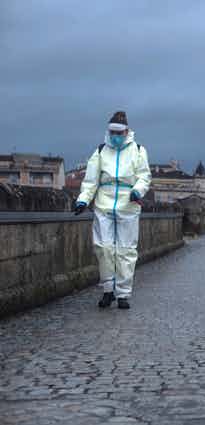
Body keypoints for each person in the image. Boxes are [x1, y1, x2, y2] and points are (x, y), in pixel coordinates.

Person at [74, 111, 152, 309]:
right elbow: (91, 180)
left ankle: (123, 293)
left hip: (128, 203)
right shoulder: (100, 151)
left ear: (127, 131)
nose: (116, 136)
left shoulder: (138, 150)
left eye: (119, 132)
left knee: (126, 250)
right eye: (112, 132)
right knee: (104, 247)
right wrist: (83, 200)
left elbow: (144, 176)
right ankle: (108, 290)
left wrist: (137, 191)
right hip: (104, 202)